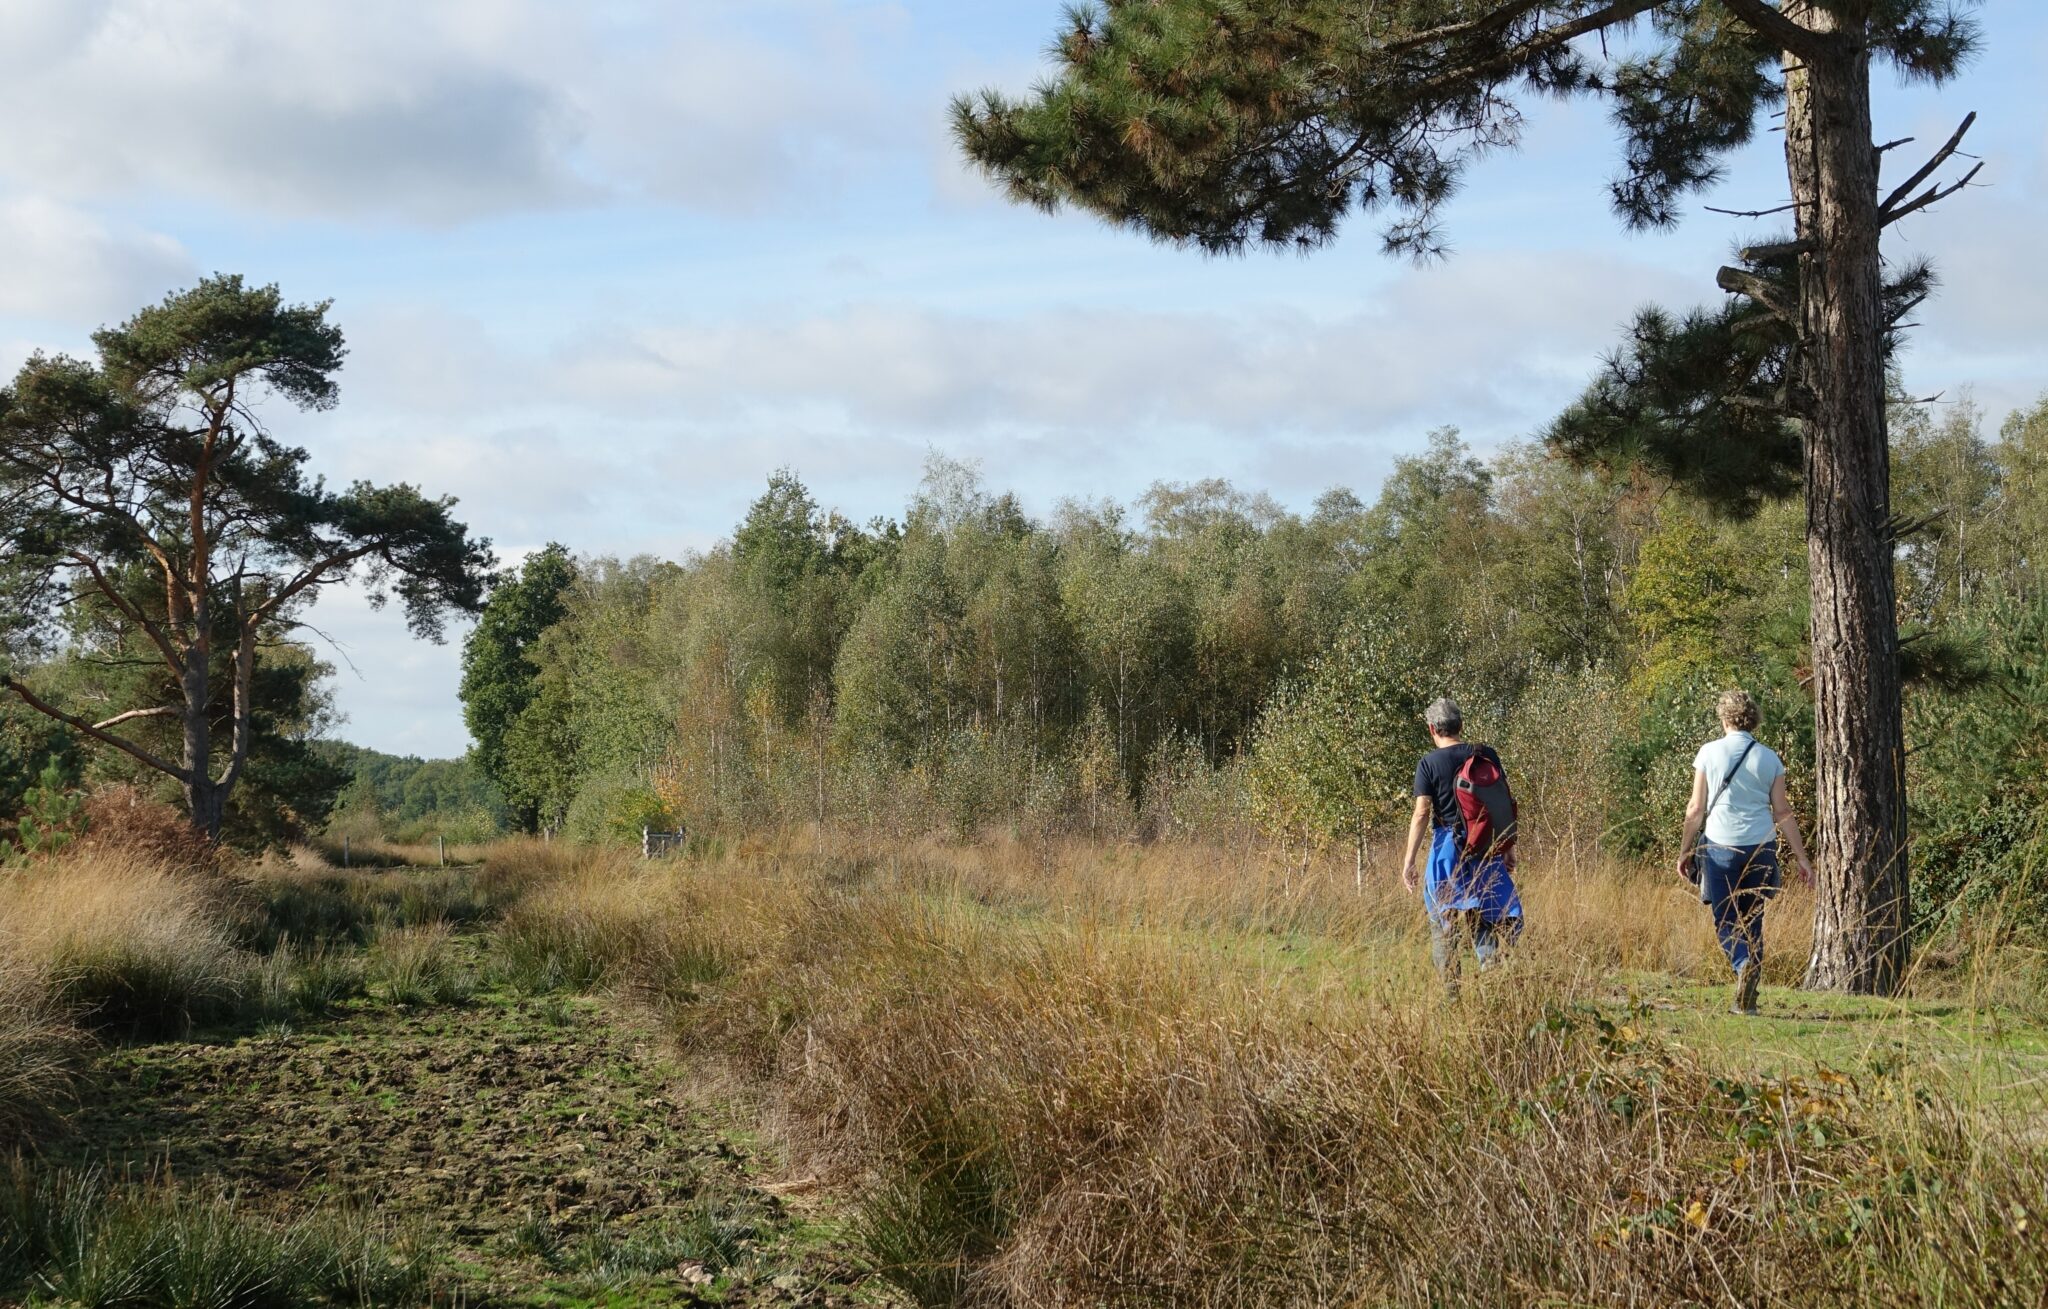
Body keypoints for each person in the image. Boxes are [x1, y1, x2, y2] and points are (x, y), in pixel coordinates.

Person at [1676, 689, 1815, 1016]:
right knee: (1753, 918)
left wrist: (1685, 850)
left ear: (1724, 718)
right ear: (1754, 719)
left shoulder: (1709, 753)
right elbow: (1783, 812)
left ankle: (1742, 965)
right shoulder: (1770, 759)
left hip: (1720, 847)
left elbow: (1696, 808)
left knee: (1725, 917)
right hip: (1761, 847)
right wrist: (1802, 857)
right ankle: (1747, 999)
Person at [1398, 697, 1523, 991]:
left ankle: (1452, 997)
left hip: (1447, 852)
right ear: (1461, 725)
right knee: (1483, 921)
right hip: (1484, 847)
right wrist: (1507, 848)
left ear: (1432, 729)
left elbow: (1421, 813)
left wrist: (1409, 861)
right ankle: (1494, 989)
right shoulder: (1485, 754)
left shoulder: (1428, 763)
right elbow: (1502, 804)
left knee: (1444, 925)